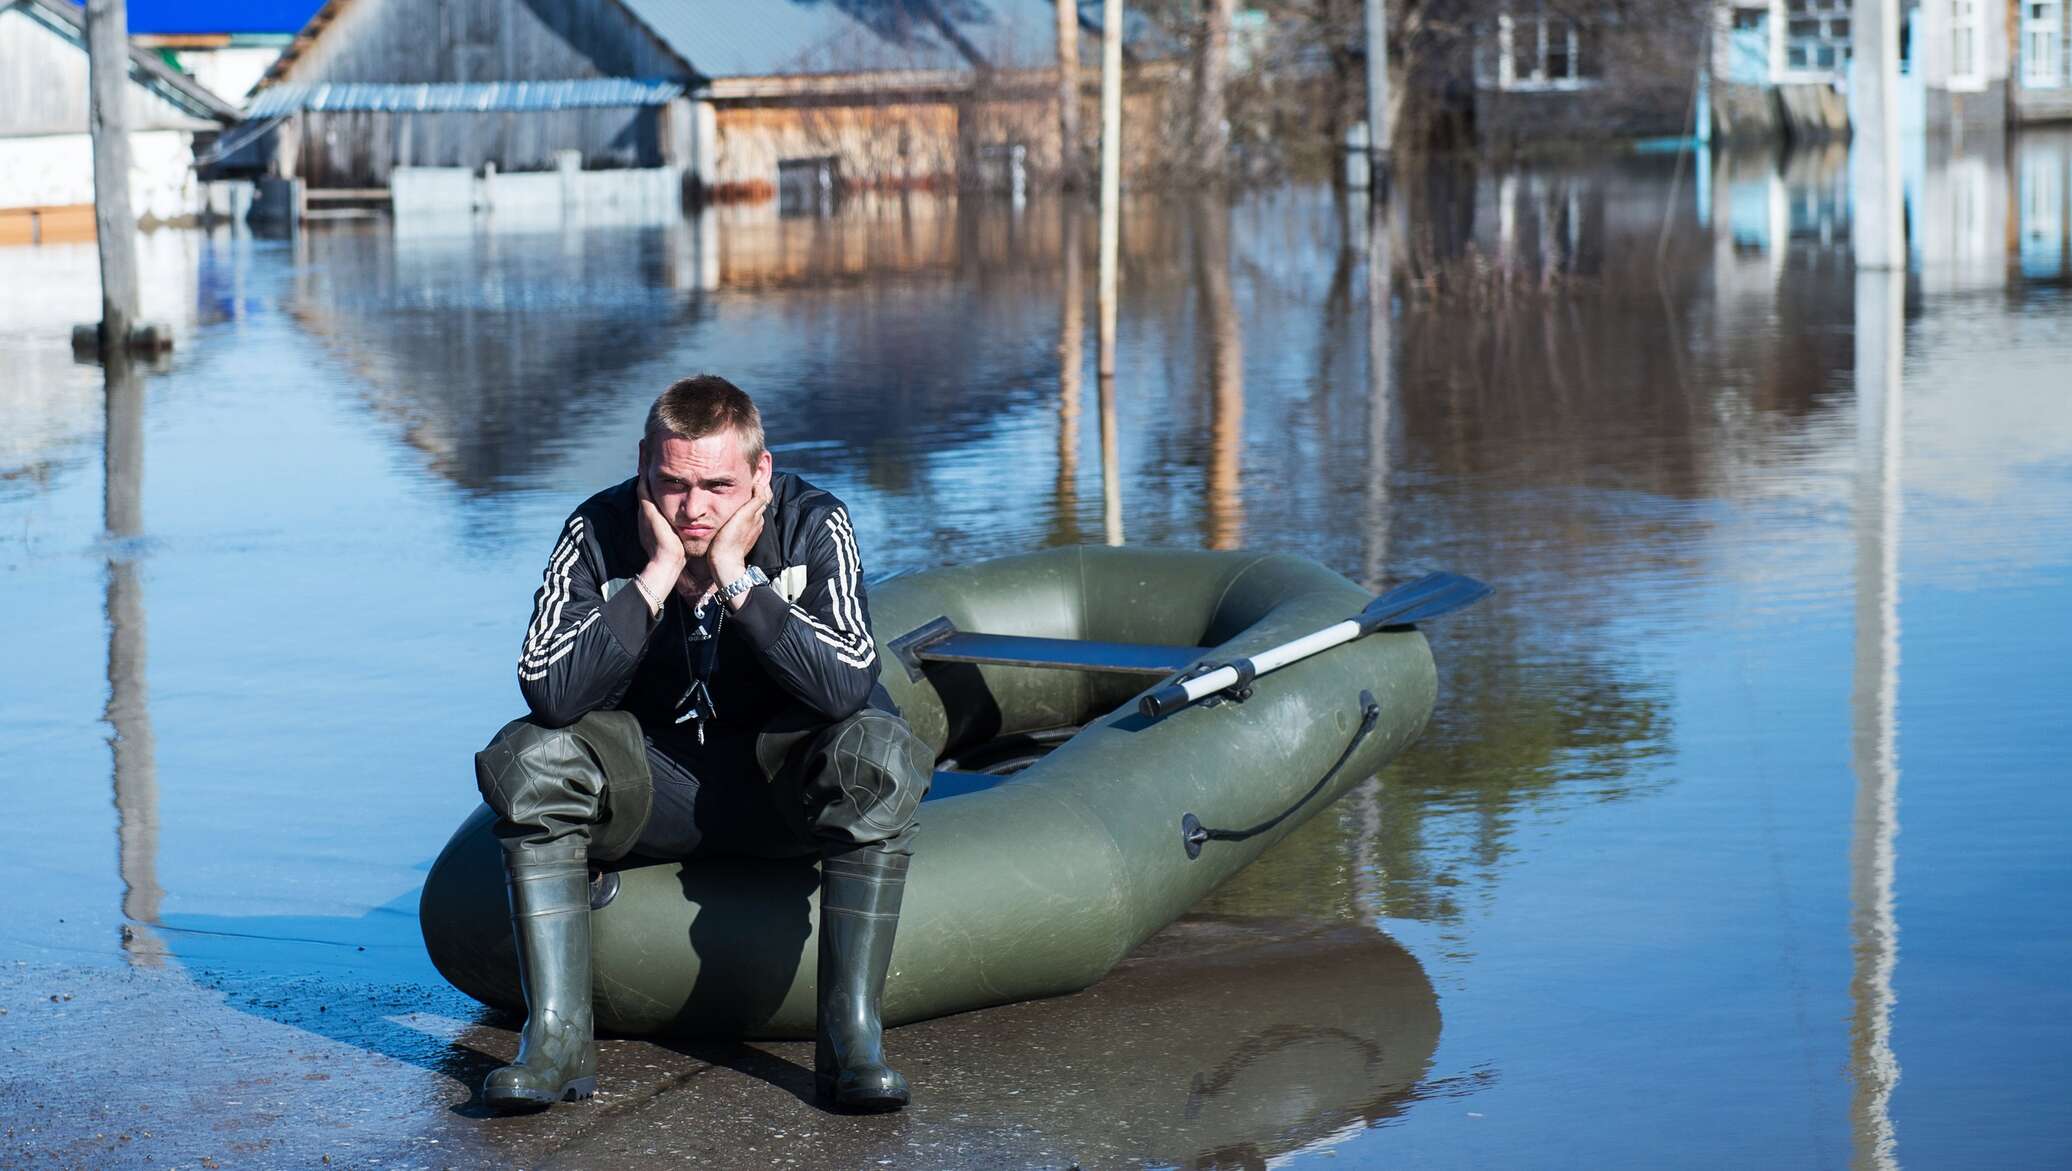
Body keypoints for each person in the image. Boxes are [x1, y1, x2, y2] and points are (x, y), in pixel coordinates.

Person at [471, 375, 931, 1113]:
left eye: (717, 484)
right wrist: (653, 578)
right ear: (644, 465)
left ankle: (851, 1040)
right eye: (673, 484)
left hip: (781, 785)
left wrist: (738, 579)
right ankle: (555, 1040)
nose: (694, 507)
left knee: (876, 752)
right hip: (653, 783)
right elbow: (548, 689)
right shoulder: (596, 529)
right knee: (529, 757)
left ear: (761, 473)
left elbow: (847, 684)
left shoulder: (816, 522)